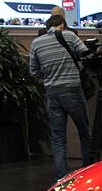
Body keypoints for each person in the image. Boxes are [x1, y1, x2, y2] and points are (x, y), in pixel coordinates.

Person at [29, 14, 93, 181]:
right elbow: (87, 56)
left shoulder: (36, 43)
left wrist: (50, 73)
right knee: (84, 132)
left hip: (52, 93)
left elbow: (34, 72)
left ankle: (61, 177)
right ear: (62, 25)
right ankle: (88, 171)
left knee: (58, 138)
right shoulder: (70, 36)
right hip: (73, 90)